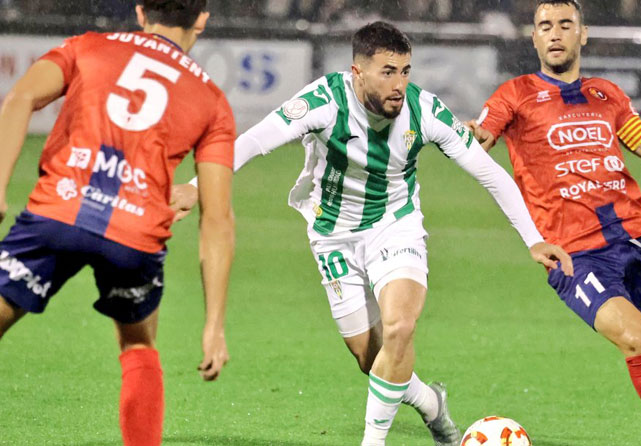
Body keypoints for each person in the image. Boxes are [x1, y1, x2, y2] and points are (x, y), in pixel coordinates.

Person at [171, 20, 572, 446]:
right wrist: (196, 188)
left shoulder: (425, 111)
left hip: (393, 225)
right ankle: (431, 403)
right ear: (357, 73)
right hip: (332, 234)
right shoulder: (323, 101)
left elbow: (491, 174)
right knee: (371, 356)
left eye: (405, 71)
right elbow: (253, 141)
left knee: (400, 327)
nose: (399, 84)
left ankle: (372, 442)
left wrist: (533, 238)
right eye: (387, 72)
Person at [467, 1, 641, 445]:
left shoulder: (608, 96)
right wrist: (466, 136)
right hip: (574, 253)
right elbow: (481, 137)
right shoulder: (514, 95)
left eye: (565, 24)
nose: (555, 33)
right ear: (535, 37)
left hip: (637, 239)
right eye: (545, 26)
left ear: (584, 34)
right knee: (636, 340)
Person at [0, 1, 235, 445]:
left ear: (141, 11)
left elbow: (21, 97)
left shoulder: (89, 47)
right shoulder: (212, 101)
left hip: (56, 214)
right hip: (133, 237)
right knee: (138, 345)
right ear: (202, 19)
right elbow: (218, 219)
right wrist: (214, 324)